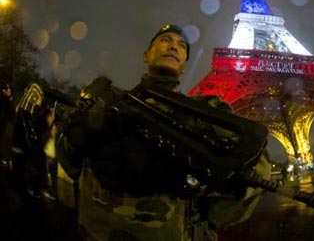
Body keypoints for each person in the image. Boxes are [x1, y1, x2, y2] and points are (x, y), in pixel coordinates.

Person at [57, 24, 271, 241]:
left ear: (185, 65)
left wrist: (208, 186)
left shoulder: (207, 111)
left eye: (181, 45)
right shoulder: (110, 102)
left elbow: (255, 160)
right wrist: (76, 139)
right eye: (165, 40)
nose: (173, 47)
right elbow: (68, 164)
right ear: (145, 55)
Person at [0, 82, 15, 169]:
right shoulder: (5, 99)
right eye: (7, 90)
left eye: (9, 91)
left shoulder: (8, 100)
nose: (8, 92)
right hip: (3, 123)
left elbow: (11, 113)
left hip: (5, 124)